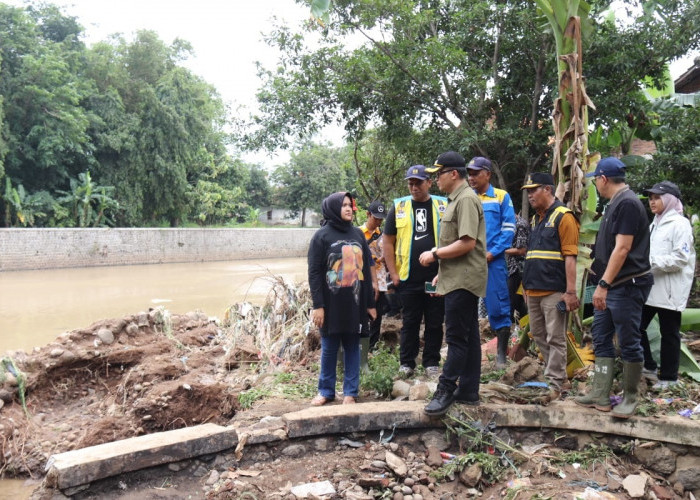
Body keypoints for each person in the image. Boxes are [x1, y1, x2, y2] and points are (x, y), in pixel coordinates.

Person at [575, 157, 653, 418]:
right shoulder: (614, 204)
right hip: (610, 286)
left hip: (625, 285)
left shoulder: (628, 203)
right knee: (601, 336)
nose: (596, 185)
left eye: (596, 180)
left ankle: (630, 397)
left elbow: (623, 248)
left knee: (629, 341)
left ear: (603, 179)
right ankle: (601, 393)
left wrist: (604, 284)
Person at [419, 151, 488, 415]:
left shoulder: (466, 200)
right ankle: (469, 390)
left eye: (439, 174)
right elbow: (457, 243)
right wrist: (442, 272)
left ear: (453, 174)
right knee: (468, 337)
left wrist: (435, 254)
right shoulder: (457, 199)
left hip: (465, 280)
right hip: (458, 276)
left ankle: (445, 390)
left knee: (457, 338)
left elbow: (467, 242)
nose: (436, 179)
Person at [307, 192, 376, 406]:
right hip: (330, 304)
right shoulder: (321, 236)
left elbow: (365, 270)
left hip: (354, 303)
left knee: (353, 346)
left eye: (350, 205)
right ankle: (326, 391)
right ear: (333, 209)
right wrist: (318, 306)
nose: (348, 209)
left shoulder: (357, 234)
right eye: (343, 205)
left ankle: (350, 392)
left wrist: (370, 304)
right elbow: (315, 273)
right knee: (329, 347)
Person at [384, 165, 447, 378]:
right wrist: (393, 273)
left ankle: (431, 362)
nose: (414, 187)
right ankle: (407, 363)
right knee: (410, 321)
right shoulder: (399, 207)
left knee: (435, 322)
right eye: (410, 183)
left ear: (429, 182)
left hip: (437, 276)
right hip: (408, 277)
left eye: (418, 183)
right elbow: (388, 242)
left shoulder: (443, 205)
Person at [521, 173, 580, 400]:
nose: (530, 194)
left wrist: (571, 292)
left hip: (554, 291)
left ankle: (554, 383)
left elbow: (570, 257)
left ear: (547, 189)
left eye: (533, 190)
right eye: (528, 190)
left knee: (555, 337)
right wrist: (525, 288)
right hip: (533, 290)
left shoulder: (564, 217)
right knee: (538, 334)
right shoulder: (537, 219)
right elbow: (532, 256)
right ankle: (559, 379)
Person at [639, 181, 695, 389]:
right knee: (637, 326)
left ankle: (669, 378)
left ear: (670, 199)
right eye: (651, 198)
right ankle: (650, 366)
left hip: (670, 289)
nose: (652, 202)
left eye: (657, 197)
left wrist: (649, 263)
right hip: (651, 287)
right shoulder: (654, 223)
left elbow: (680, 258)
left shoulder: (680, 224)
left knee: (669, 333)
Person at [467, 157, 516, 367]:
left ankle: (501, 356)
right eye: (469, 173)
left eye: (476, 173)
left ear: (487, 174)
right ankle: (468, 356)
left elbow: (509, 229)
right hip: (467, 262)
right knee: (464, 306)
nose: (471, 177)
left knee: (498, 307)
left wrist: (492, 253)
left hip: (492, 261)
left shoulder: (501, 197)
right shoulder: (466, 197)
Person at [359, 200, 388, 350]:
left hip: (381, 279)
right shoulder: (357, 233)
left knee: (377, 315)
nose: (378, 221)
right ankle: (360, 345)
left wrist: (385, 257)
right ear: (368, 214)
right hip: (363, 279)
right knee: (362, 313)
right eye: (375, 218)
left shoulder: (383, 235)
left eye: (380, 219)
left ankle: (372, 346)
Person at [505, 213, 529, 324]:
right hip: (513, 268)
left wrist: (501, 250)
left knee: (512, 301)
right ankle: (522, 329)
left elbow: (521, 250)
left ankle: (511, 328)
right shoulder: (512, 224)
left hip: (519, 269)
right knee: (518, 302)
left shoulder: (520, 225)